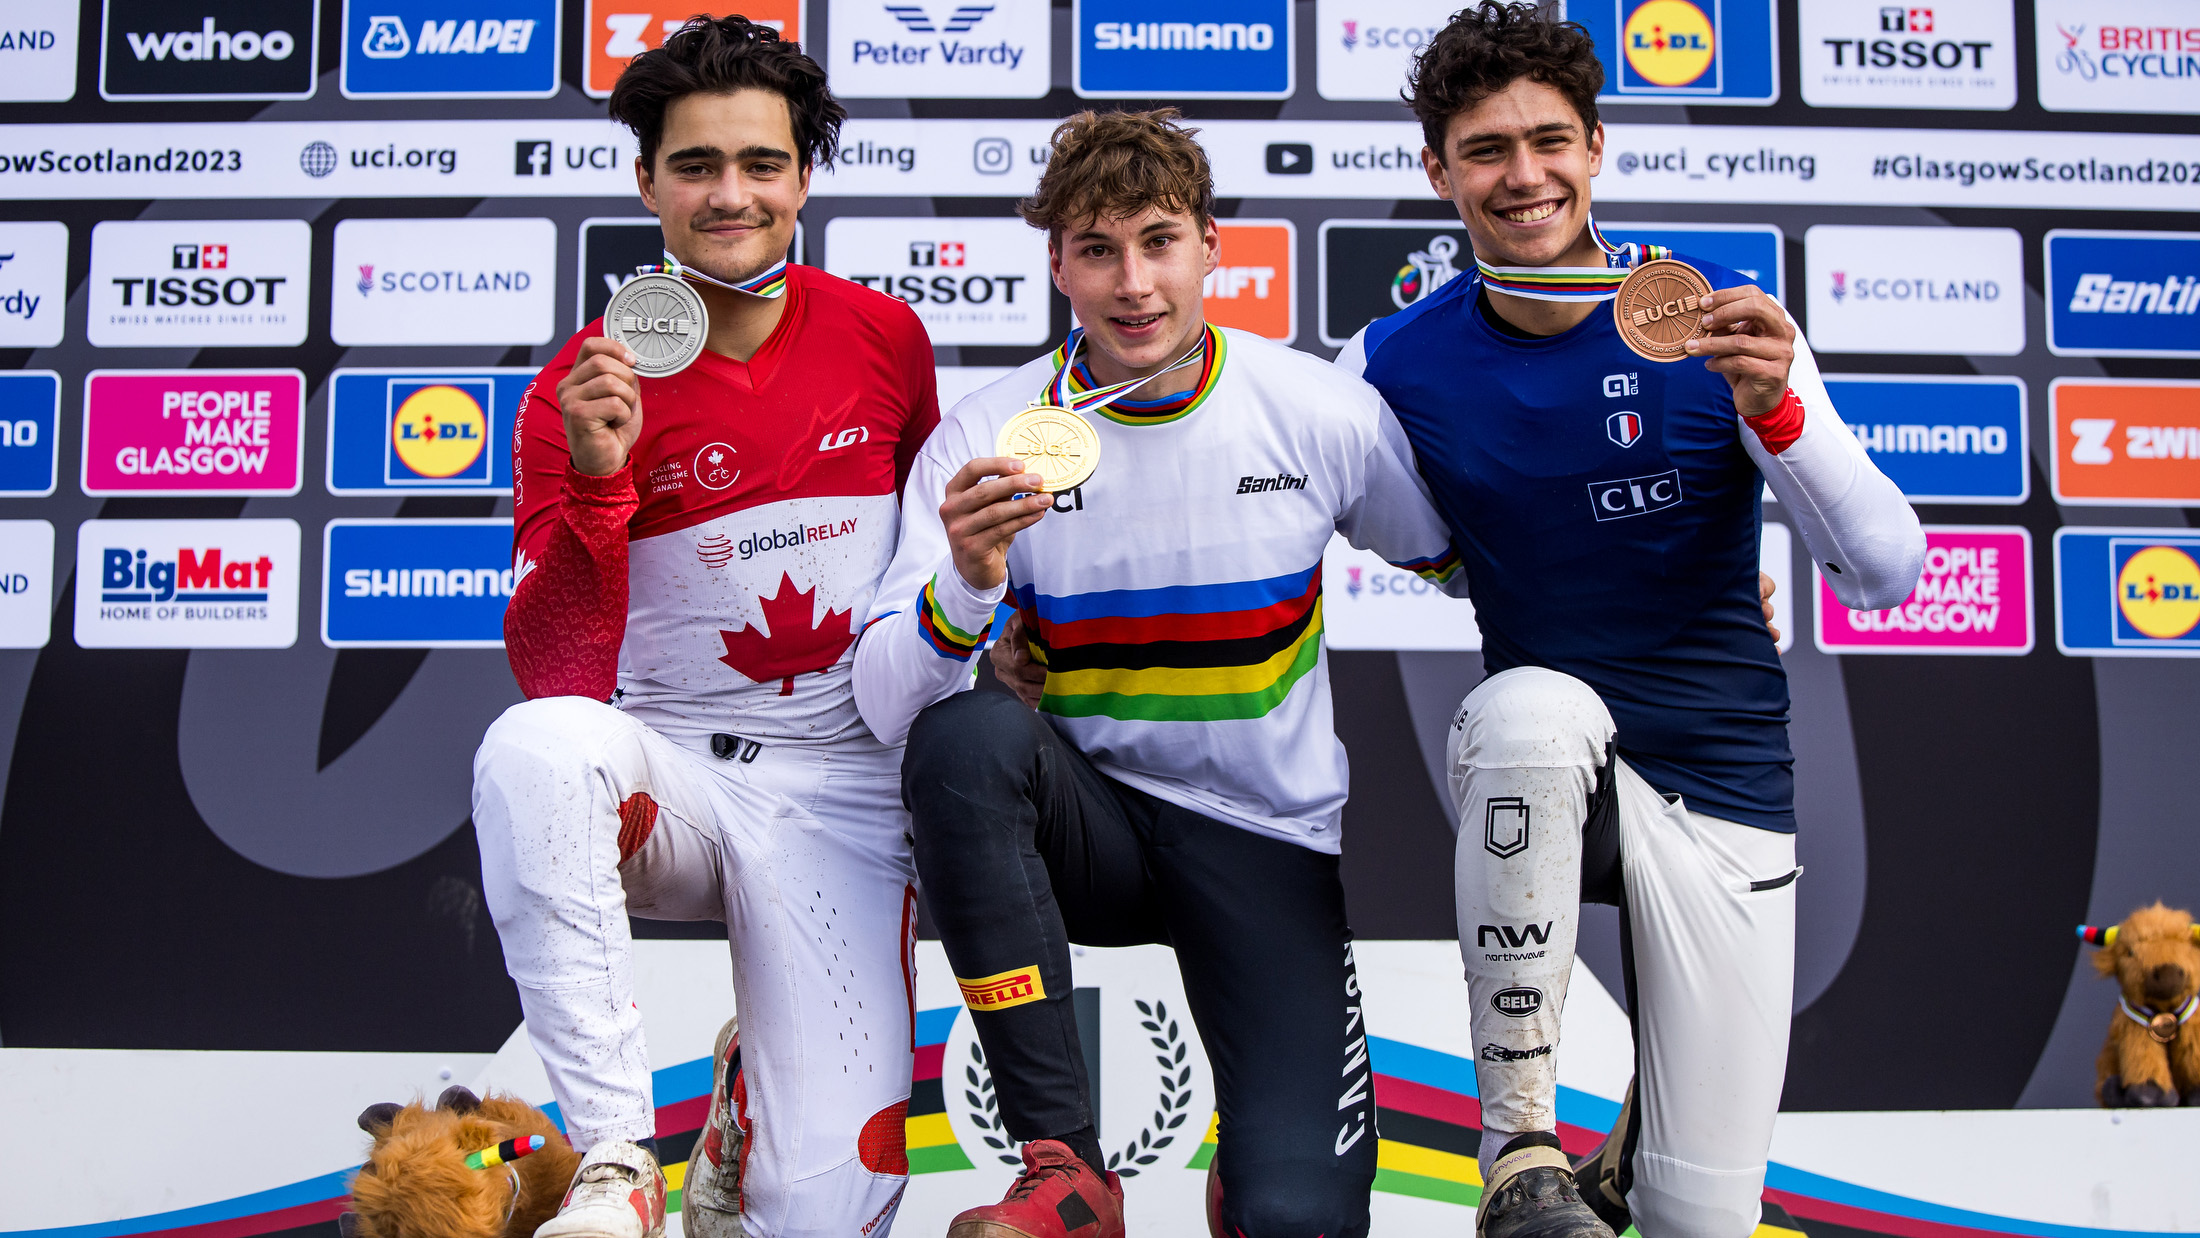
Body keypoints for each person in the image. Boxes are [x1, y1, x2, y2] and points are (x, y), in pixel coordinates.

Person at [1338, 7, 1926, 1238]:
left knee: (1697, 1220)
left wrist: (1779, 412)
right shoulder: (1389, 364)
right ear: (1436, 170)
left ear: (1597, 146)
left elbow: (1884, 570)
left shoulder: (1716, 316)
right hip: (1552, 774)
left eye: (1549, 140)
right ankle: (1521, 1150)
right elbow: (1390, 539)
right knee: (1527, 707)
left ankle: (1634, 1158)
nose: (1523, 174)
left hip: (1723, 784)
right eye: (1485, 149)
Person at [852, 109, 1467, 1238]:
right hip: (1090, 824)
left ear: (1210, 247)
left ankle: (1257, 1161)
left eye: (1157, 240)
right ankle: (1064, 1168)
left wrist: (1682, 593)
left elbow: (1467, 566)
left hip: (1265, 839)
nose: (1132, 283)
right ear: (1055, 264)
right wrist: (971, 578)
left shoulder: (1319, 411)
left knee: (1299, 1219)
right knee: (961, 733)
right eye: (1096, 249)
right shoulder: (988, 432)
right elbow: (885, 701)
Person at [470, 18, 938, 1238]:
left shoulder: (886, 338)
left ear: (803, 176)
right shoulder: (584, 381)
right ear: (646, 182)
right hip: (669, 772)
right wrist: (596, 479)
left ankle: (745, 1118)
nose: (730, 195)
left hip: (842, 783)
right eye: (694, 166)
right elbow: (561, 673)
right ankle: (620, 1157)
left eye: (760, 163)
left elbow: (928, 576)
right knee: (533, 748)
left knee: (824, 1218)